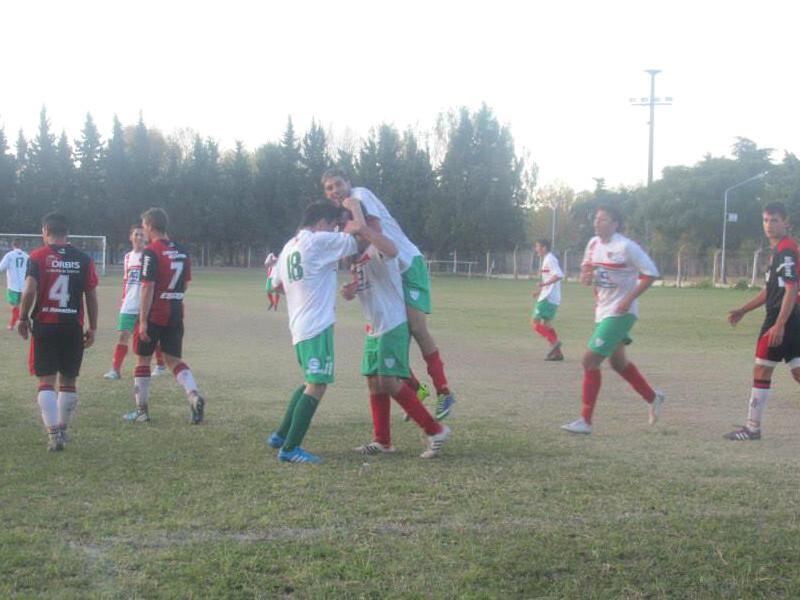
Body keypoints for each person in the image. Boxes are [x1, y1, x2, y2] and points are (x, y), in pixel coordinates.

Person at [322, 167, 451, 419]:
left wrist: (353, 209)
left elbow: (375, 234)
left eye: (338, 183)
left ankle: (444, 392)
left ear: (349, 182)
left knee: (416, 327)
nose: (335, 190)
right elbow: (357, 259)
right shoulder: (342, 221)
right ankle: (417, 392)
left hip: (406, 263)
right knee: (390, 334)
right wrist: (351, 286)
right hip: (386, 273)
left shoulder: (359, 195)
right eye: (329, 188)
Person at [340, 199, 451, 458]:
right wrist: (349, 291)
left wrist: (362, 226)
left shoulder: (374, 249)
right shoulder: (356, 260)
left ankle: (435, 430)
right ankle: (383, 441)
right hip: (374, 327)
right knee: (372, 381)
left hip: (392, 323)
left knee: (389, 381)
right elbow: (364, 286)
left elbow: (391, 250)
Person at [265, 201, 360, 463]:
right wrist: (354, 222)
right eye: (333, 225)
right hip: (317, 325)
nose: (335, 230)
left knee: (310, 380)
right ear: (321, 223)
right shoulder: (317, 241)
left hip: (298, 325)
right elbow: (355, 241)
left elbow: (273, 284)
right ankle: (290, 449)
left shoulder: (288, 246)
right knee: (318, 384)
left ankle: (281, 436)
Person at [561, 206, 665, 434]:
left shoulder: (626, 246)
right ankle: (653, 397)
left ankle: (585, 421)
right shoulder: (592, 244)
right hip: (604, 312)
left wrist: (629, 299)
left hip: (620, 313)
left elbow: (651, 273)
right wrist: (586, 277)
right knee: (617, 364)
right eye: (596, 219)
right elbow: (587, 273)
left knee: (589, 361)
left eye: (603, 219)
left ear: (615, 224)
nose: (597, 223)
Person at [17, 212, 98, 451]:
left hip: (46, 325)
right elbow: (91, 295)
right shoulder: (83, 258)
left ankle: (53, 434)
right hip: (72, 327)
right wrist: (92, 326)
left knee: (46, 381)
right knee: (68, 380)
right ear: (67, 233)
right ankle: (63, 430)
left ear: (45, 232)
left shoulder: (38, 256)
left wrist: (22, 317)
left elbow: (30, 290)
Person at [724, 202, 800, 440]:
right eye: (766, 220)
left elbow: (791, 288)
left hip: (783, 317)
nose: (769, 225)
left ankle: (752, 428)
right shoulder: (776, 252)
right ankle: (752, 428)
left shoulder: (786, 251)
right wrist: (743, 309)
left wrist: (779, 323)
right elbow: (770, 291)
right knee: (797, 371)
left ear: (785, 222)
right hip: (790, 317)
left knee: (762, 368)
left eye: (775, 220)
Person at [123, 208, 204, 424]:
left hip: (155, 313)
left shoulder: (151, 252)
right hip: (176, 311)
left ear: (149, 226)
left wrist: (142, 321)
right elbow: (185, 283)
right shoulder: (181, 250)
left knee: (142, 359)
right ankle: (193, 394)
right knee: (173, 360)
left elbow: (147, 287)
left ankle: (142, 411)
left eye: (144, 226)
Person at [103, 223, 167, 379]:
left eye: (141, 234)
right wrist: (124, 299)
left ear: (146, 236)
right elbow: (127, 281)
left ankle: (160, 365)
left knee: (151, 337)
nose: (139, 237)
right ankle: (115, 370)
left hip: (147, 304)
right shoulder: (127, 257)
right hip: (129, 304)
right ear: (130, 237)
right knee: (123, 336)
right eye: (136, 234)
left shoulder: (151, 255)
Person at [532, 239, 564, 361]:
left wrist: (544, 285)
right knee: (547, 325)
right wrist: (539, 291)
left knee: (535, 323)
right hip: (551, 297)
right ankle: (557, 354)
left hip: (548, 297)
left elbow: (559, 275)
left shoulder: (550, 259)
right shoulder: (547, 259)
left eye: (538, 246)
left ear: (544, 247)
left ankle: (554, 342)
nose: (536, 249)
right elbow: (549, 278)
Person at [0, 240, 29, 330]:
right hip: (24, 286)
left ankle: (25, 322)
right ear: (21, 246)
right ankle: (12, 325)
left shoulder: (9, 255)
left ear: (12, 246)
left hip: (13, 285)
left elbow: (1, 268)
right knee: (18, 306)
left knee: (13, 306)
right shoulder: (27, 256)